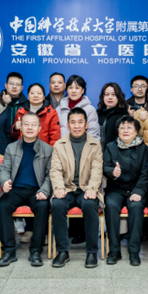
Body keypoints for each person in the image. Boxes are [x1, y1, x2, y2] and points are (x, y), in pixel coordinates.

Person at [0, 112, 53, 267]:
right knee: (3, 205)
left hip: (36, 190)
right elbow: (4, 169)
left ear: (39, 128)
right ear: (20, 126)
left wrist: (44, 190)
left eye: (33, 124)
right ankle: (9, 250)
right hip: (15, 189)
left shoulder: (48, 149)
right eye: (26, 124)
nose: (29, 127)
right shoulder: (11, 147)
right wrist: (4, 182)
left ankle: (35, 251)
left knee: (43, 206)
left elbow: (50, 174)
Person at [50, 107, 104, 268]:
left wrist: (92, 188)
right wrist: (59, 188)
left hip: (86, 189)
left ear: (86, 124)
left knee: (90, 205)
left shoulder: (95, 144)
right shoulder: (59, 144)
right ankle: (62, 251)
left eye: (80, 122)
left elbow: (97, 170)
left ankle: (91, 252)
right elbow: (55, 170)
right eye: (73, 122)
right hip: (66, 188)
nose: (77, 126)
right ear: (67, 125)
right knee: (57, 204)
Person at [102, 116, 148, 266]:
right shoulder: (110, 146)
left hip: (136, 188)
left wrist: (139, 191)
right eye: (122, 127)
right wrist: (112, 172)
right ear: (118, 131)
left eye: (129, 127)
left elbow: (145, 172)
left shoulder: (143, 148)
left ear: (136, 132)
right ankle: (114, 250)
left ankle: (134, 252)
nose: (125, 130)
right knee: (111, 206)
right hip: (116, 188)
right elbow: (105, 166)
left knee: (135, 207)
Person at [56, 75, 100, 139]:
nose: (73, 91)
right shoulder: (59, 109)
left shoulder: (90, 110)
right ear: (66, 90)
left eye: (77, 88)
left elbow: (94, 135)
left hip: (82, 145)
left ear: (83, 90)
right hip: (62, 145)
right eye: (70, 88)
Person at [0, 72, 28, 154]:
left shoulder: (27, 105)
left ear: (22, 88)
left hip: (20, 145)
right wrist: (3, 103)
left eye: (18, 84)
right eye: (11, 84)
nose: (14, 87)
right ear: (6, 85)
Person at [96, 82, 130, 150]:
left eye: (113, 94)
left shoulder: (123, 115)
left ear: (118, 97)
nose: (110, 97)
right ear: (102, 97)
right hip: (97, 153)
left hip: (115, 154)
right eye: (107, 94)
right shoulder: (97, 114)